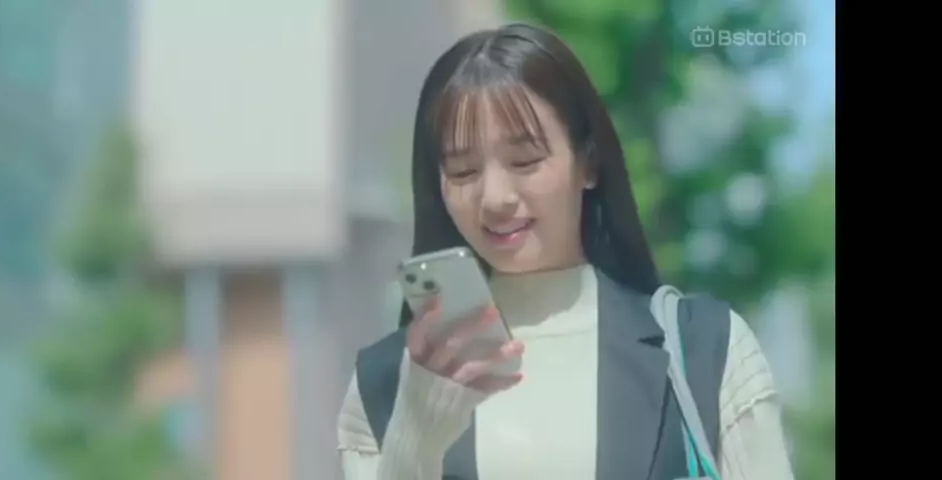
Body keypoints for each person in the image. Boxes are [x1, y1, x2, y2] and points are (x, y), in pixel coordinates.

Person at [336, 22, 795, 480]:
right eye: (463, 171)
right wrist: (414, 440)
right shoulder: (383, 383)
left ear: (588, 163)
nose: (494, 197)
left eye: (525, 161)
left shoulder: (709, 352)